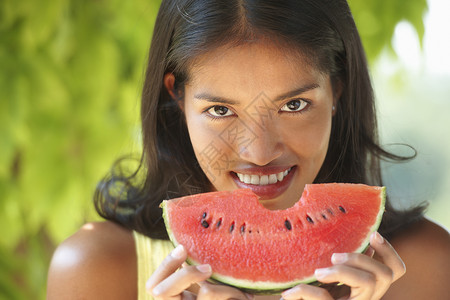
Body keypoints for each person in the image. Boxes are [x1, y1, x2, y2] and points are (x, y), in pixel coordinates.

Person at [47, 0, 450, 299]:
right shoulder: (96, 271)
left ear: (337, 90)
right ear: (178, 98)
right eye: (220, 110)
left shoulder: (426, 268)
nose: (259, 151)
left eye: (294, 105)